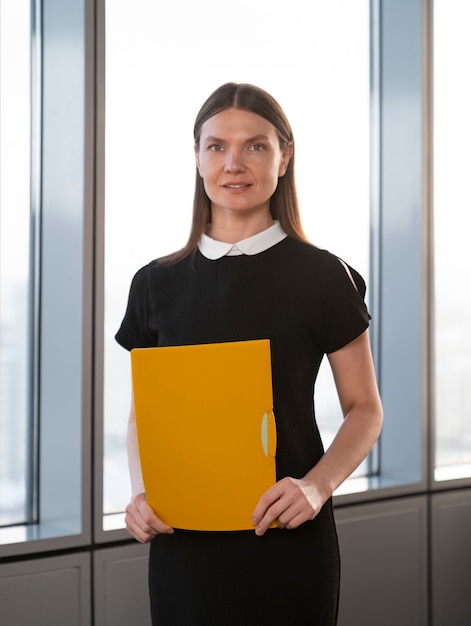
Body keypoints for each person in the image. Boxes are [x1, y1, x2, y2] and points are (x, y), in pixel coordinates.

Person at [115, 82, 383, 626]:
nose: (234, 163)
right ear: (196, 159)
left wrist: (316, 486)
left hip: (287, 539)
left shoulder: (322, 277)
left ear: (284, 158)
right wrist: (143, 494)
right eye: (216, 147)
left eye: (256, 146)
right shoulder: (153, 284)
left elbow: (365, 409)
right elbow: (146, 411)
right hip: (182, 547)